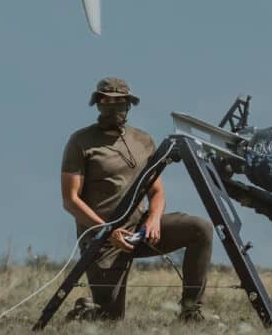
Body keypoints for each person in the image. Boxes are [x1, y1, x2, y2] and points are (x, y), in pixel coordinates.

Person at [61, 77, 213, 322]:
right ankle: (85, 310)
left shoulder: (143, 140)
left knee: (200, 228)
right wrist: (107, 231)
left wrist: (153, 219)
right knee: (110, 319)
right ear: (98, 103)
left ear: (129, 104)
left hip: (140, 230)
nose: (114, 106)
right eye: (108, 100)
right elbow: (70, 199)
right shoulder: (80, 141)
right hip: (102, 239)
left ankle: (190, 310)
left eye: (120, 101)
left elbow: (156, 191)